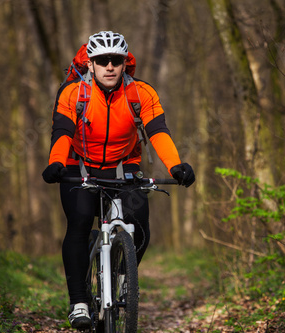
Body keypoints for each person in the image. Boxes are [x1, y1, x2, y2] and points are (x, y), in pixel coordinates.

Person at [42, 31, 195, 329]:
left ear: (125, 64)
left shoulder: (140, 93)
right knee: (81, 220)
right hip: (78, 166)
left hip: (123, 167)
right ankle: (80, 303)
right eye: (102, 61)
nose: (109, 66)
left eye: (116, 60)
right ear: (90, 64)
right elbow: (61, 132)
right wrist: (56, 163)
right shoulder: (74, 93)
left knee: (139, 225)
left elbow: (158, 132)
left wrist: (176, 166)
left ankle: (124, 278)